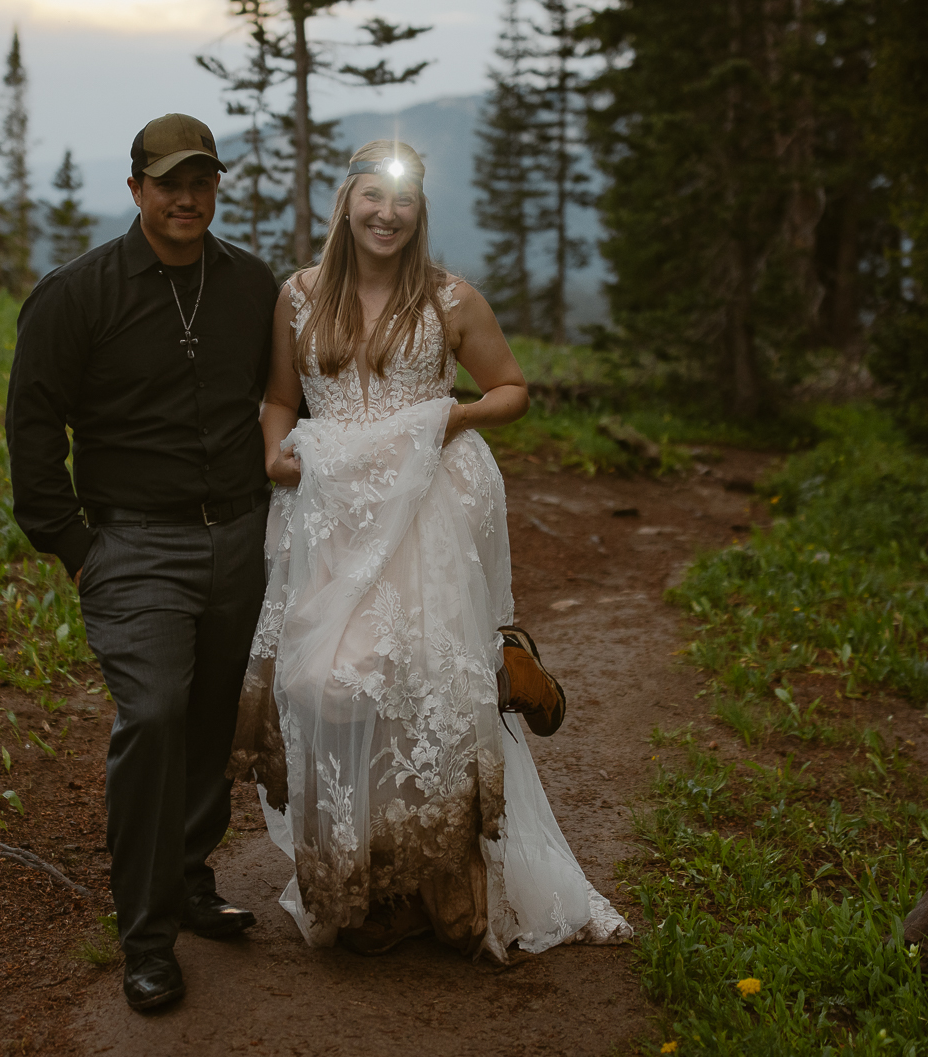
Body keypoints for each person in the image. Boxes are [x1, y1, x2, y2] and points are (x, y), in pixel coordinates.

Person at [229, 140, 631, 958]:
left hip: (427, 514)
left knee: (423, 684)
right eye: (371, 195)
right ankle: (363, 872)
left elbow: (511, 388)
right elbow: (279, 396)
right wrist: (274, 454)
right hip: (334, 514)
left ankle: (445, 882)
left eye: (403, 200)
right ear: (345, 201)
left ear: (420, 212)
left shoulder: (449, 298)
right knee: (325, 680)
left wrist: (453, 417)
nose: (386, 213)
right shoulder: (301, 297)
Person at [5, 113, 278, 1011]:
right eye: (169, 183)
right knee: (154, 713)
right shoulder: (76, 295)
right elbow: (35, 430)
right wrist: (77, 548)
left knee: (210, 717)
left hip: (240, 537)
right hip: (133, 543)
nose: (187, 198)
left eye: (201, 181)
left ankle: (192, 878)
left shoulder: (249, 286)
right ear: (135, 190)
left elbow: (287, 402)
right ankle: (147, 937)